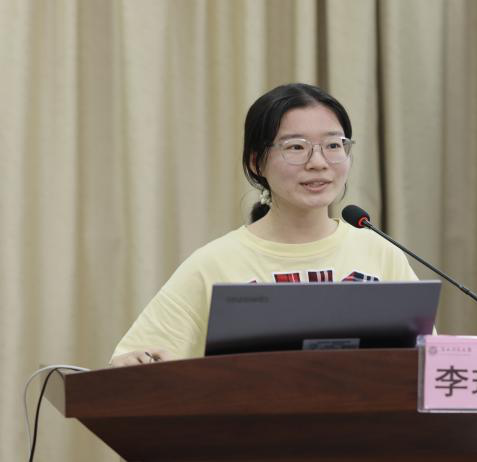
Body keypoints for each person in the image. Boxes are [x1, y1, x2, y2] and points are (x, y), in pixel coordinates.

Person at [109, 83, 418, 367]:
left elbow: (425, 366)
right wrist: (135, 363)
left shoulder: (380, 253)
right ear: (256, 162)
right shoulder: (214, 263)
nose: (318, 162)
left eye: (334, 145)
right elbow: (131, 364)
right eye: (296, 147)